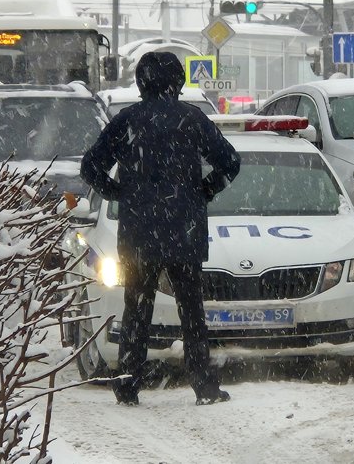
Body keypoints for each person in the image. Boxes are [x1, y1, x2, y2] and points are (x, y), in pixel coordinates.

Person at [80, 51, 241, 406]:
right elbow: (231, 162)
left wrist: (119, 194)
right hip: (185, 229)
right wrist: (204, 190)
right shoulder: (192, 120)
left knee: (136, 308)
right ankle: (203, 384)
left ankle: (128, 383)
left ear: (141, 82)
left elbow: (90, 167)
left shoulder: (127, 121)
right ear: (178, 82)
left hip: (139, 232)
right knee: (192, 311)